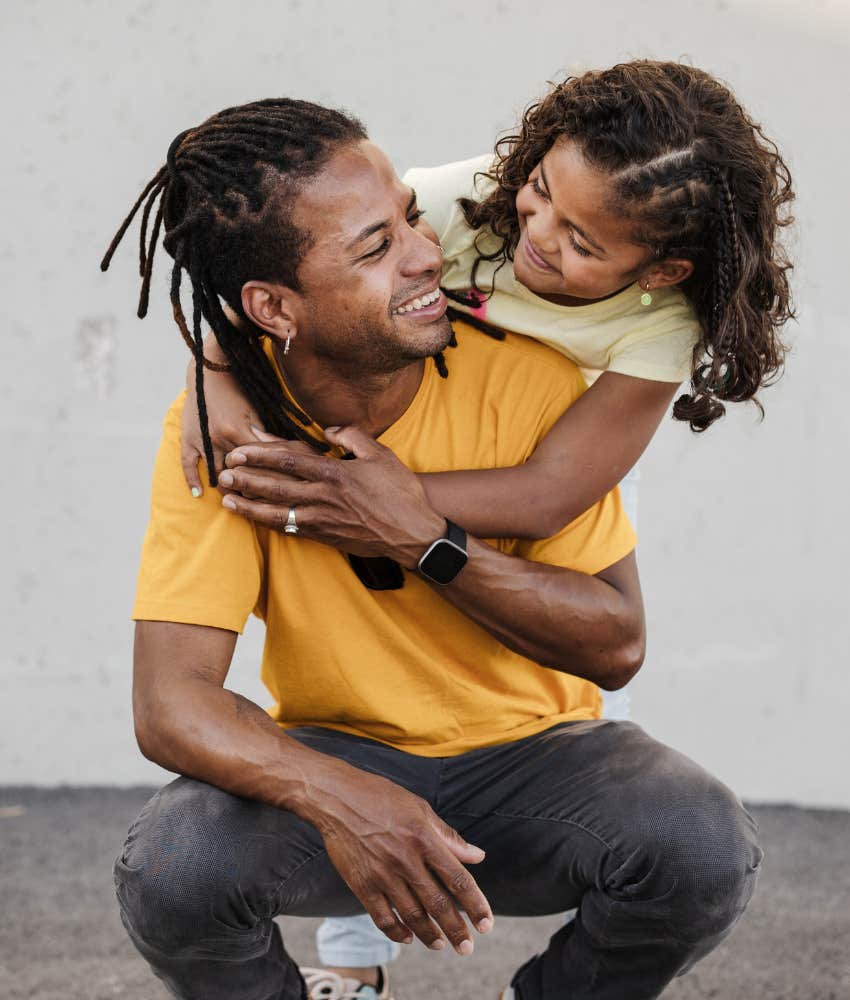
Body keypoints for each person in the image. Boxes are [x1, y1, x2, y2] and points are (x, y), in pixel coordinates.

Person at [103, 97, 761, 1000]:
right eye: (376, 247)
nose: (430, 254)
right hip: (343, 752)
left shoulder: (540, 382)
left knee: (698, 842)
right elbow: (170, 704)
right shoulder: (226, 431)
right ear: (274, 307)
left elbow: (615, 645)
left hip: (537, 769)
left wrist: (422, 536)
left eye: (412, 219)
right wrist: (338, 796)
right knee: (173, 868)